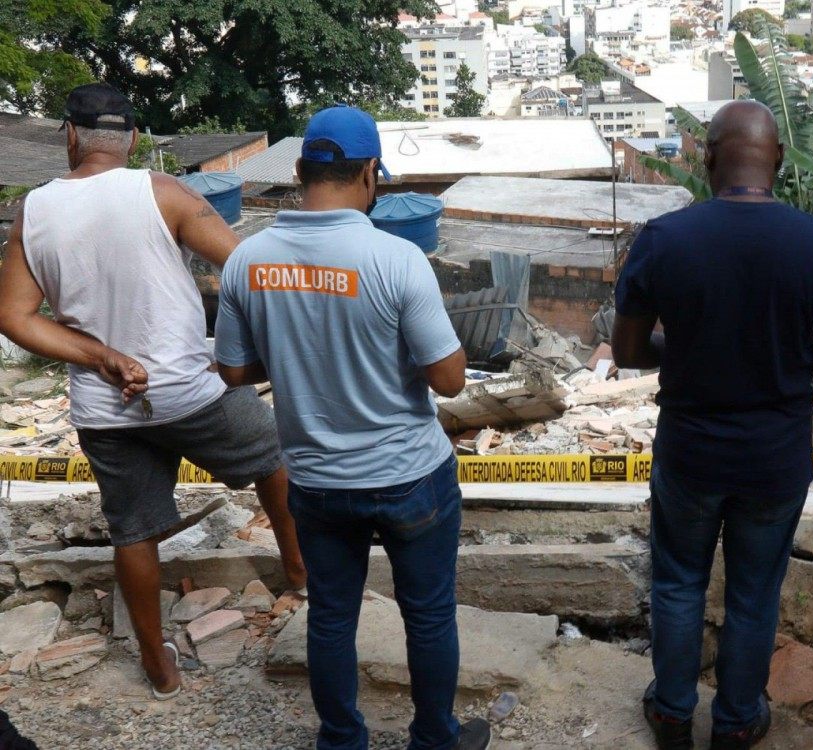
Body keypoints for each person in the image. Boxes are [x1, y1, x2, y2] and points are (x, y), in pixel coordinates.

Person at [0, 82, 306, 701]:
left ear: (70, 136)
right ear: (134, 139)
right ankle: (301, 574)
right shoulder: (164, 191)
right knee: (276, 457)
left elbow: (15, 317)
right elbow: (247, 272)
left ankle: (157, 665)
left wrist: (101, 355)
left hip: (105, 409)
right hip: (192, 393)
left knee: (132, 531)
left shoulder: (33, 210)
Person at [213, 105, 489, 750]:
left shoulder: (248, 260)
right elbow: (449, 380)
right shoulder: (396, 259)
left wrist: (293, 349)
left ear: (304, 169)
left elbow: (231, 371)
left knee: (331, 617)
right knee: (427, 617)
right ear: (368, 173)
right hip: (409, 478)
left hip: (315, 480)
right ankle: (434, 739)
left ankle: (341, 740)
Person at [613, 99, 813, 750]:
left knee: (677, 582)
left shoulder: (666, 239)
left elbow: (628, 352)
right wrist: (782, 354)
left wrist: (695, 350)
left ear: (707, 158)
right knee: (755, 594)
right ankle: (735, 723)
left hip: (690, 451)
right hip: (775, 458)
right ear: (778, 159)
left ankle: (672, 713)